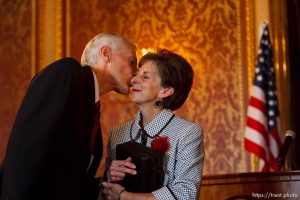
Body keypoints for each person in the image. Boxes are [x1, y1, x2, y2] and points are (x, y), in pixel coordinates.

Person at [0, 33, 137, 200]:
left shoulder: (92, 110)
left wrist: (107, 179)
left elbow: (72, 188)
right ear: (106, 54)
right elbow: (24, 152)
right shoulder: (67, 71)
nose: (136, 72)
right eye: (132, 61)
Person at [101, 49, 205, 200]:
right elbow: (105, 193)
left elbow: (186, 193)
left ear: (166, 91)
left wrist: (126, 196)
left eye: (145, 76)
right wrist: (108, 176)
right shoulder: (117, 133)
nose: (134, 80)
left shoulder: (188, 132)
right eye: (136, 74)